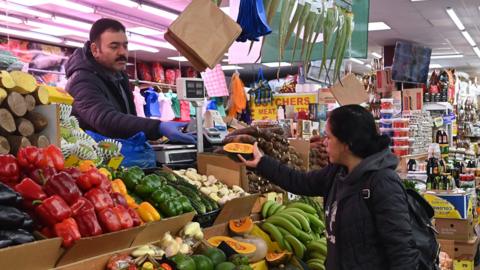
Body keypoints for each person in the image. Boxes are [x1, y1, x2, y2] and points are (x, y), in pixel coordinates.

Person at [239, 105, 419, 270]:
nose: (324, 142)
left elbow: (402, 251)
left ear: (347, 144)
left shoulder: (382, 183)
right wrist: (262, 162)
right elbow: (299, 181)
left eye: (329, 137)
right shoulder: (337, 173)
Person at [65, 18, 196, 144]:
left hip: (119, 156)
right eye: (114, 46)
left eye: (125, 46)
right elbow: (105, 120)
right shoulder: (81, 81)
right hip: (92, 161)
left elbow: (127, 115)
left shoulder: (119, 75)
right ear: (95, 50)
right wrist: (157, 127)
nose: (122, 52)